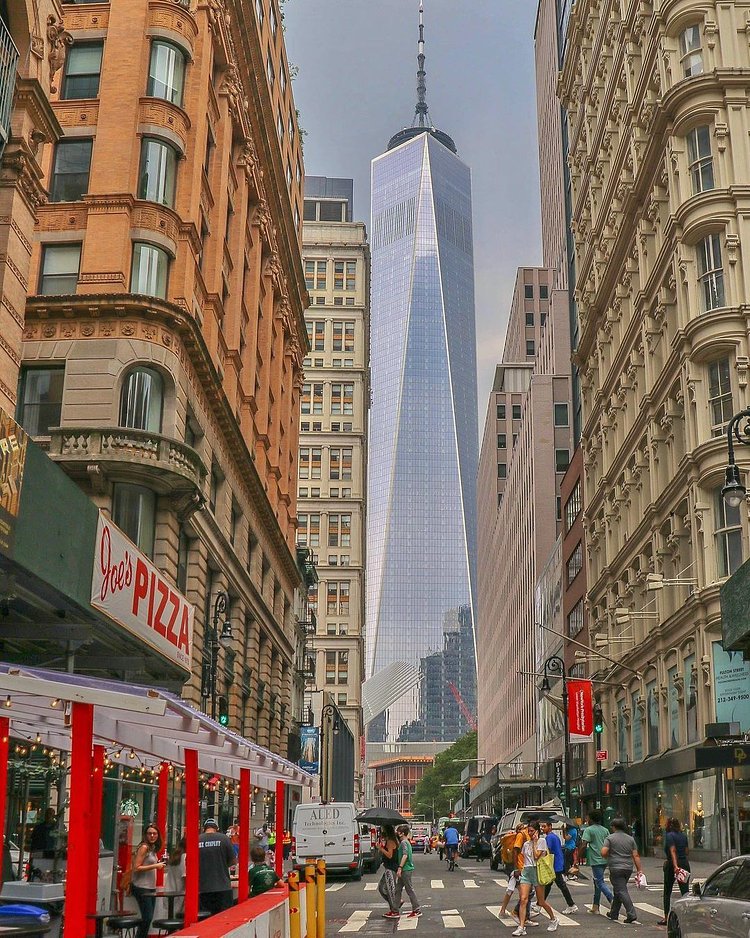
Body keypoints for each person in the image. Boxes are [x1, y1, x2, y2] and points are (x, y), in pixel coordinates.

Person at [512, 821, 558, 937]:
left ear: (537, 831)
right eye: (529, 831)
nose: (530, 833)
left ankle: (553, 919)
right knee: (523, 899)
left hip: (537, 872)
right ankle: (521, 926)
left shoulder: (542, 842)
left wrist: (535, 842)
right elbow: (524, 858)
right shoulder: (526, 844)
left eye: (532, 831)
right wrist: (519, 869)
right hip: (527, 872)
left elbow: (536, 856)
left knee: (541, 901)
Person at [601, 817, 642, 924]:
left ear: (614, 827)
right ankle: (614, 913)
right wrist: (639, 870)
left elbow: (604, 852)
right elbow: (636, 855)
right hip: (628, 868)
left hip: (615, 867)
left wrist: (608, 856)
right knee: (618, 890)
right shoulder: (630, 839)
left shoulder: (610, 838)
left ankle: (631, 914)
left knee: (621, 891)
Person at [130, 824, 165, 938]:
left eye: (154, 833)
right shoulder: (144, 847)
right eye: (149, 833)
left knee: (148, 918)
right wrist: (156, 865)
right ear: (145, 835)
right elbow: (137, 867)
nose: (152, 836)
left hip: (150, 887)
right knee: (147, 917)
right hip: (141, 887)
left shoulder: (152, 848)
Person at [198, 818, 236, 915]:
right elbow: (233, 861)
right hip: (223, 886)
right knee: (223, 918)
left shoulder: (197, 839)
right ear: (217, 828)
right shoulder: (224, 839)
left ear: (204, 828)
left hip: (203, 888)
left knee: (204, 919)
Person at [658, 817, 690, 925]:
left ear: (669, 825)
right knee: (685, 891)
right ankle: (687, 915)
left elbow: (672, 850)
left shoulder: (669, 836)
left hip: (672, 865)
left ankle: (666, 917)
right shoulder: (683, 836)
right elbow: (686, 851)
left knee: (667, 891)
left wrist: (675, 866)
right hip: (684, 863)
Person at [540, 821, 577, 914]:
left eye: (544, 826)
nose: (542, 828)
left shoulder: (549, 838)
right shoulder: (554, 836)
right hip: (557, 864)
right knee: (549, 885)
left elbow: (547, 851)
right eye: (542, 827)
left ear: (550, 826)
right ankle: (539, 903)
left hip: (554, 865)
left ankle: (571, 904)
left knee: (561, 885)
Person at [581, 810, 613, 914]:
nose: (587, 820)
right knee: (597, 882)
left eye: (588, 817)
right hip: (605, 858)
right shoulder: (605, 830)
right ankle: (595, 905)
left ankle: (612, 899)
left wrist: (578, 857)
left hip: (595, 859)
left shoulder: (589, 830)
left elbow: (584, 844)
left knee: (599, 882)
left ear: (591, 818)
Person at [395, 825, 421, 918]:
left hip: (406, 869)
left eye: (398, 832)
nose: (397, 833)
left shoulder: (404, 843)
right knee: (398, 889)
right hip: (405, 869)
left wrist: (400, 867)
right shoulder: (405, 842)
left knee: (409, 889)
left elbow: (405, 855)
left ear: (402, 833)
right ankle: (395, 909)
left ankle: (416, 909)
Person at [377, 824, 400, 919]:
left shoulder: (390, 842)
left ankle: (394, 910)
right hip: (388, 868)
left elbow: (390, 855)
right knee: (382, 888)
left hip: (391, 868)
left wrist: (381, 848)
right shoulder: (390, 841)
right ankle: (396, 903)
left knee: (390, 889)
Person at [166, 837, 186, 916]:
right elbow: (186, 878)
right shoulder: (185, 857)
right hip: (181, 894)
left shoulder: (175, 857)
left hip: (170, 892)